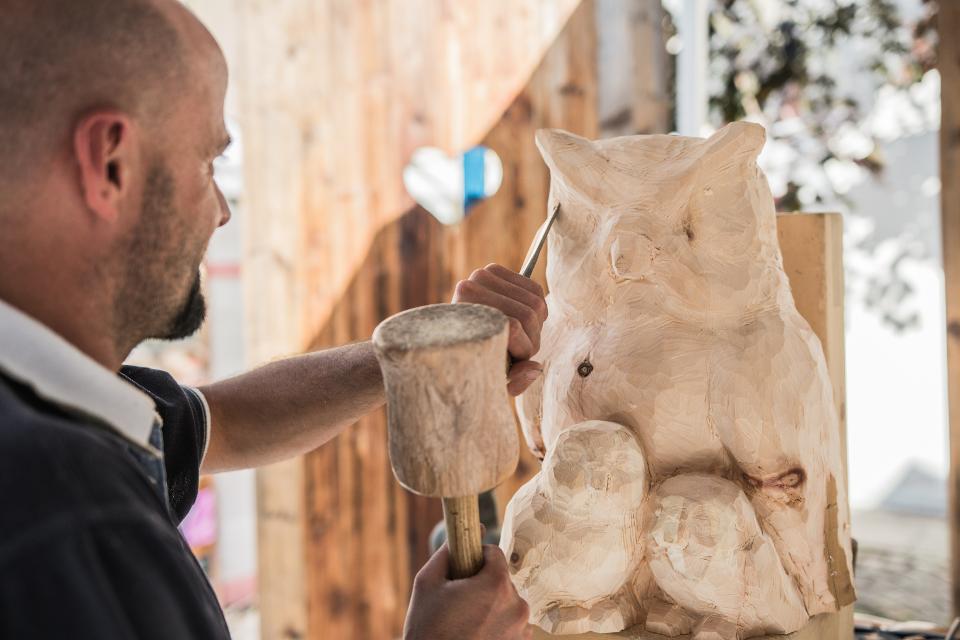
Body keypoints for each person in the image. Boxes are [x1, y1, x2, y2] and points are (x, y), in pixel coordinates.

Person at [0, 1, 546, 639]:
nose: (221, 211)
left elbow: (224, 423)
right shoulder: (62, 526)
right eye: (208, 165)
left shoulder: (63, 405)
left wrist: (423, 350)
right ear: (111, 162)